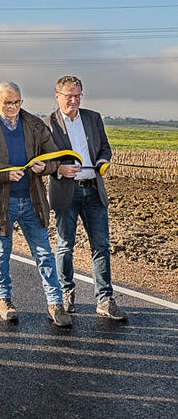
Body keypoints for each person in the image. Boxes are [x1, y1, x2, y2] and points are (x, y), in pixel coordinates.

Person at [0, 81, 71, 327]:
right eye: (8, 102)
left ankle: (55, 303)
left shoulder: (35, 125)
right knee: (1, 252)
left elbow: (53, 157)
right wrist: (5, 173)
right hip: (0, 201)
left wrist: (44, 167)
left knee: (44, 253)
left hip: (32, 199)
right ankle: (4, 300)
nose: (13, 107)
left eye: (17, 102)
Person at [45, 76, 127, 321]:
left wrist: (102, 161)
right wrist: (59, 169)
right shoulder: (47, 123)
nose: (74, 100)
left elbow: (105, 147)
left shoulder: (93, 117)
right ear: (57, 95)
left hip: (93, 190)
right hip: (65, 191)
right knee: (64, 246)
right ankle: (66, 292)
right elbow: (42, 158)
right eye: (69, 95)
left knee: (101, 246)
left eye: (78, 95)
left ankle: (104, 299)